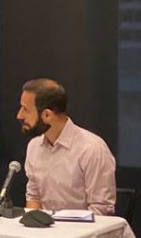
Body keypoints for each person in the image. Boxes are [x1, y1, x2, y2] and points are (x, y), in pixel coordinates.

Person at [19, 78, 116, 215]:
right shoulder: (34, 147)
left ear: (47, 115)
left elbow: (101, 210)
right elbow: (34, 198)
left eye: (26, 109)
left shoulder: (92, 148)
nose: (19, 115)